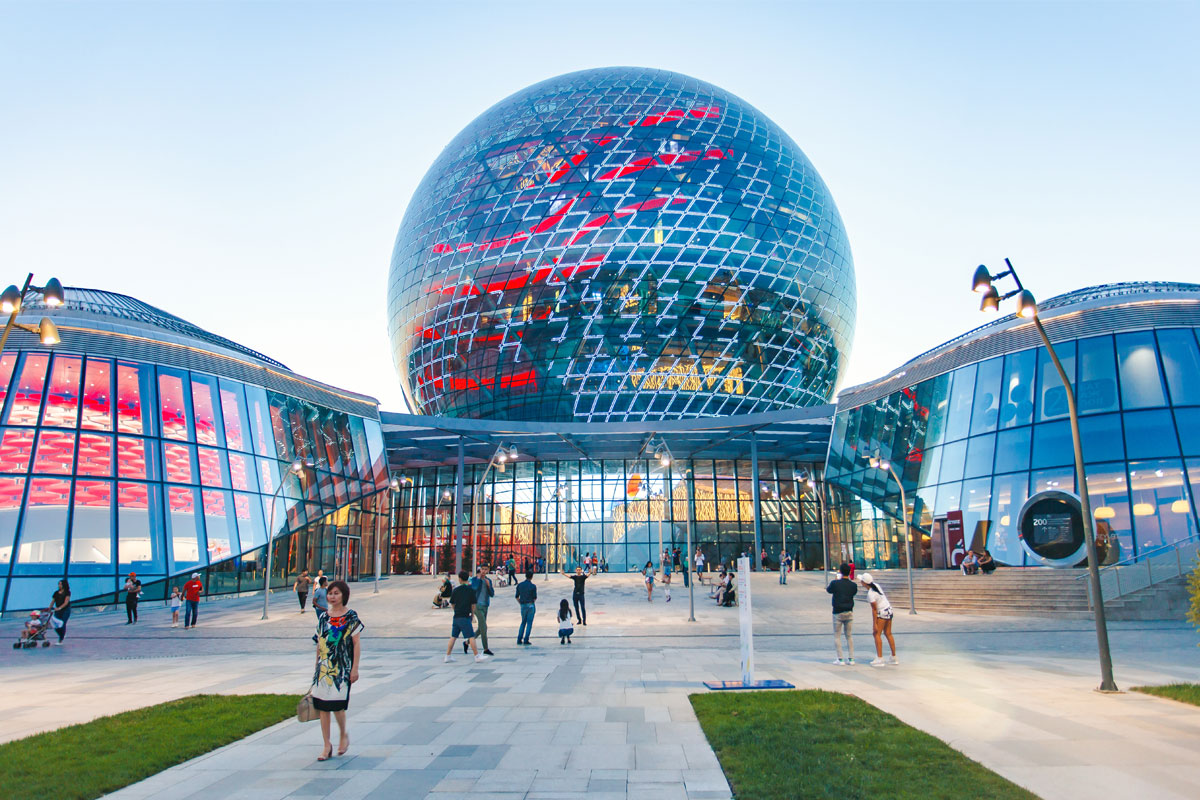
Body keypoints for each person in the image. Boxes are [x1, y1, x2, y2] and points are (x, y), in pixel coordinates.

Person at [311, 579, 363, 761]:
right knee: (322, 707)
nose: (332, 597)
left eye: (336, 593)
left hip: (341, 669)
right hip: (323, 669)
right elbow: (319, 642)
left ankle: (343, 734)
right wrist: (316, 667)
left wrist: (355, 668)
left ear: (344, 595)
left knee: (337, 706)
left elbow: (356, 644)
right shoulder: (323, 617)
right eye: (330, 593)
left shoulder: (351, 617)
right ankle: (326, 745)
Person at [445, 570, 489, 664]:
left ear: (460, 579)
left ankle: (448, 655)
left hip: (456, 616)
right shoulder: (470, 590)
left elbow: (452, 603)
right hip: (465, 616)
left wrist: (456, 610)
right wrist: (472, 614)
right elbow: (473, 604)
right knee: (471, 636)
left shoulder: (456, 590)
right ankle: (476, 655)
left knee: (453, 636)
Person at [859, 572, 897, 666]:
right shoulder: (876, 586)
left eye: (861, 581)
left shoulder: (870, 594)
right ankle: (894, 657)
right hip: (889, 610)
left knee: (876, 634)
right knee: (888, 633)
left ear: (864, 583)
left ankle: (880, 658)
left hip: (882, 613)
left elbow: (874, 609)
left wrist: (875, 624)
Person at [827, 562, 858, 666]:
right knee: (849, 636)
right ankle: (851, 658)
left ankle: (840, 659)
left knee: (837, 635)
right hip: (849, 611)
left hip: (838, 612)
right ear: (849, 572)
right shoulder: (853, 585)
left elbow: (829, 590)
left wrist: (836, 581)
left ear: (840, 571)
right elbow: (854, 592)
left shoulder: (835, 583)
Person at [469, 564, 495, 655]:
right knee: (484, 627)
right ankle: (486, 648)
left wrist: (488, 586)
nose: (484, 571)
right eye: (482, 569)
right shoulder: (475, 580)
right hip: (477, 606)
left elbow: (492, 594)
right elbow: (474, 588)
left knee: (481, 628)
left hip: (485, 605)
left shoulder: (488, 580)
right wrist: (479, 579)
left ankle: (467, 642)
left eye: (486, 569)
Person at [515, 570, 537, 645]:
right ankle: (526, 639)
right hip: (530, 604)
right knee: (529, 623)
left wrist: (520, 602)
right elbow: (534, 598)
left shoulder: (520, 585)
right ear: (532, 577)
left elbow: (517, 596)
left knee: (523, 622)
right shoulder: (533, 586)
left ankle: (519, 638)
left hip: (523, 605)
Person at [50, 579, 71, 645]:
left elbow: (66, 602)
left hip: (65, 609)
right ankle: (61, 634)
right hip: (57, 610)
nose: (59, 585)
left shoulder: (67, 592)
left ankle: (61, 638)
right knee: (56, 624)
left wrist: (60, 608)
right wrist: (49, 608)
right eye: (58, 584)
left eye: (60, 584)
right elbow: (53, 601)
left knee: (62, 623)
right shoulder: (56, 593)